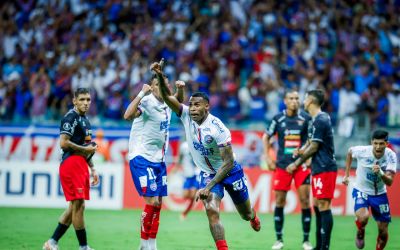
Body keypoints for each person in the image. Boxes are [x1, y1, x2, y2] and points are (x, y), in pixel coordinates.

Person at [152, 61, 261, 250]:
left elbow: (228, 163)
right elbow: (169, 98)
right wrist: (160, 76)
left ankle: (253, 216)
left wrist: (207, 187)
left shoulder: (218, 128)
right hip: (208, 174)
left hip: (230, 172)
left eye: (197, 106)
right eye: (191, 105)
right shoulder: (186, 115)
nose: (192, 109)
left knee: (245, 214)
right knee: (211, 210)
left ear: (207, 107)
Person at [123, 67, 184, 250]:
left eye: (164, 85)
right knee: (151, 201)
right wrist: (142, 92)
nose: (161, 89)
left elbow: (179, 101)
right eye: (157, 85)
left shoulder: (168, 102)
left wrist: (180, 89)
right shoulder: (147, 102)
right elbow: (127, 115)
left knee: (158, 203)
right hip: (141, 156)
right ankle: (143, 245)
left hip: (159, 159)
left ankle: (151, 244)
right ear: (152, 86)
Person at [43, 88, 99, 250]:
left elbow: (87, 147)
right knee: (79, 205)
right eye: (82, 99)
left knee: (74, 206)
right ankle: (83, 247)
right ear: (74, 101)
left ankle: (52, 242)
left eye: (88, 100)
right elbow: (64, 143)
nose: (86, 103)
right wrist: (85, 149)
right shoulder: (70, 117)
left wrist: (93, 168)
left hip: (81, 164)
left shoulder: (85, 121)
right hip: (71, 163)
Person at [286, 89, 337, 250]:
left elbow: (315, 146)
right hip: (318, 167)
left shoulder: (320, 119)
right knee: (317, 203)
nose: (303, 101)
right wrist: (301, 149)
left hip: (325, 166)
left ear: (311, 101)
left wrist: (296, 163)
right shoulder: (315, 120)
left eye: (305, 98)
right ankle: (319, 245)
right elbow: (310, 142)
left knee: (324, 205)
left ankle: (324, 247)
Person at [262, 90, 313, 250]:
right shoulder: (278, 118)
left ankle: (306, 240)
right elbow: (266, 137)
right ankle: (279, 240)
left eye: (297, 98)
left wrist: (308, 156)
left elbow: (312, 139)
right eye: (291, 98)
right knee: (279, 201)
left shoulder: (306, 118)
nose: (294, 101)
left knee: (305, 201)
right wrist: (268, 158)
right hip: (282, 165)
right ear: (285, 101)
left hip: (301, 164)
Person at [342, 130, 397, 250]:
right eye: (375, 143)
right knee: (363, 218)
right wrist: (346, 174)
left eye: (381, 143)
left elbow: (390, 182)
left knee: (383, 231)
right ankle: (360, 231)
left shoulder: (391, 155)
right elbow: (350, 153)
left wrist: (381, 173)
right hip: (362, 190)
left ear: (386, 144)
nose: (378, 147)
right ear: (371, 142)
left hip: (380, 194)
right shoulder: (362, 151)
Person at [175, 139, 199, 220]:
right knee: (185, 195)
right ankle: (185, 212)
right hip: (188, 173)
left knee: (193, 195)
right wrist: (177, 167)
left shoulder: (198, 144)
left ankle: (185, 213)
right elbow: (180, 157)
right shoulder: (184, 146)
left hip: (197, 173)